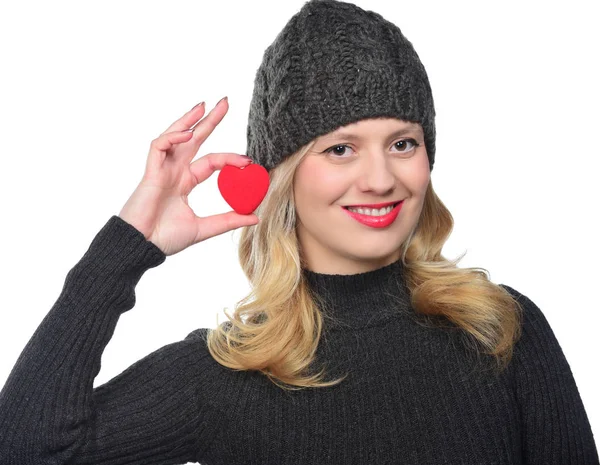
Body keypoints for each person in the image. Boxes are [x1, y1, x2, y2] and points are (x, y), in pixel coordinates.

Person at [0, 0, 598, 463]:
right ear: (283, 176)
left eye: (402, 143)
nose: (380, 178)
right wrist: (129, 246)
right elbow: (27, 449)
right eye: (341, 148)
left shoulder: (498, 329)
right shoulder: (224, 375)